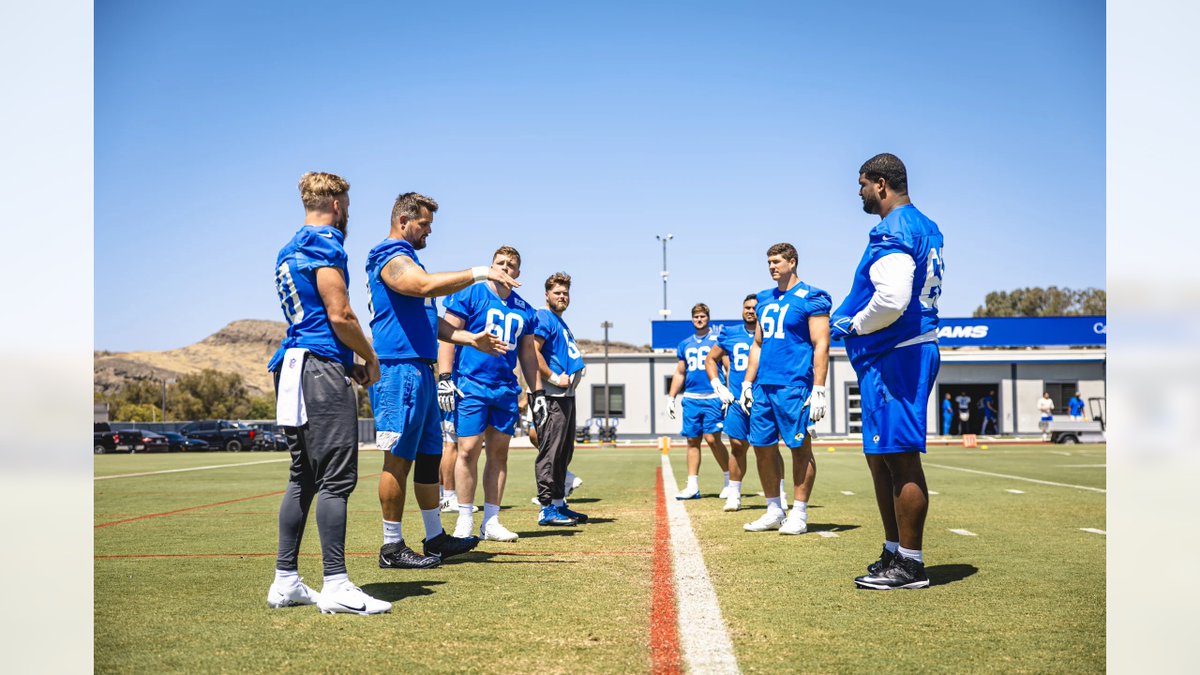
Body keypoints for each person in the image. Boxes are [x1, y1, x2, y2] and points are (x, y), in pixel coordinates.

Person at [367, 192, 513, 570]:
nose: (429, 232)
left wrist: (470, 339)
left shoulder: (411, 259)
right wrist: (481, 272)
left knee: (430, 458)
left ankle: (435, 537)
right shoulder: (389, 256)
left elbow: (435, 323)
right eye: (424, 224)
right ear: (403, 221)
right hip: (399, 369)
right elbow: (424, 287)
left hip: (421, 369)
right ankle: (390, 546)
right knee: (398, 460)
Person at [265, 171, 389, 615]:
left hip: (292, 366)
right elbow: (340, 314)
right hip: (316, 369)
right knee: (337, 477)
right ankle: (335, 583)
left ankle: (286, 581)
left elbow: (315, 317)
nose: (349, 214)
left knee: (304, 476)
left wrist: (345, 358)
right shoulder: (326, 241)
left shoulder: (287, 248)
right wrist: (369, 358)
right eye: (348, 206)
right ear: (336, 204)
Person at [830, 153, 944, 590]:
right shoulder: (923, 225)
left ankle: (910, 564)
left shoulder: (893, 229)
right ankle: (895, 550)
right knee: (881, 457)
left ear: (880, 184)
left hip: (898, 353)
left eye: (861, 184)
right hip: (900, 352)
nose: (859, 193)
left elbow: (893, 299)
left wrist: (855, 324)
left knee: (899, 457)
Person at [440, 246, 542, 542]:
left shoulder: (524, 308)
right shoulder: (470, 294)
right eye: (500, 263)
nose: (505, 268)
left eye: (512, 265)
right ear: (491, 266)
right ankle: (464, 519)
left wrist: (536, 395)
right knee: (468, 449)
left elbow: (528, 355)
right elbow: (447, 334)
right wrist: (445, 377)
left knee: (499, 454)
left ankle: (491, 521)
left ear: (518, 273)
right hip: (470, 384)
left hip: (504, 389)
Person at [732, 243, 830, 536]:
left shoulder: (812, 297)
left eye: (776, 261)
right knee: (762, 447)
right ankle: (774, 509)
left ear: (792, 262)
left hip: (794, 385)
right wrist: (748, 382)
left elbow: (821, 344)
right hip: (764, 386)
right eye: (769, 262)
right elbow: (758, 345)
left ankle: (799, 513)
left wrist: (819, 388)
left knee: (799, 448)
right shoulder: (763, 299)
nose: (772, 266)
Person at [705, 294, 787, 512]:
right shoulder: (730, 333)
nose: (750, 311)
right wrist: (717, 384)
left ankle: (781, 493)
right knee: (738, 447)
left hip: (764, 397)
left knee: (770, 448)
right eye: (747, 307)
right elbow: (710, 358)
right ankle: (734, 494)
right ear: (742, 310)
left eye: (754, 308)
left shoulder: (772, 331)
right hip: (736, 399)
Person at [530, 272, 589, 526]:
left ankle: (558, 503)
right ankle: (546, 508)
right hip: (553, 395)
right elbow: (533, 350)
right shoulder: (544, 317)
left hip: (566, 395)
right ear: (547, 295)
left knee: (564, 452)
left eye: (565, 293)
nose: (562, 296)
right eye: (557, 293)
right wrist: (553, 377)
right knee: (551, 451)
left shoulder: (559, 321)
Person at [667, 303, 732, 500]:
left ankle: (730, 482)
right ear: (692, 319)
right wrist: (671, 397)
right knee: (692, 440)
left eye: (702, 316)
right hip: (692, 398)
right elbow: (680, 372)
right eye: (696, 317)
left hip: (713, 397)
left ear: (708, 318)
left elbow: (728, 368)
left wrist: (728, 392)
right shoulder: (685, 344)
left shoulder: (717, 340)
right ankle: (693, 486)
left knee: (713, 439)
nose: (699, 320)